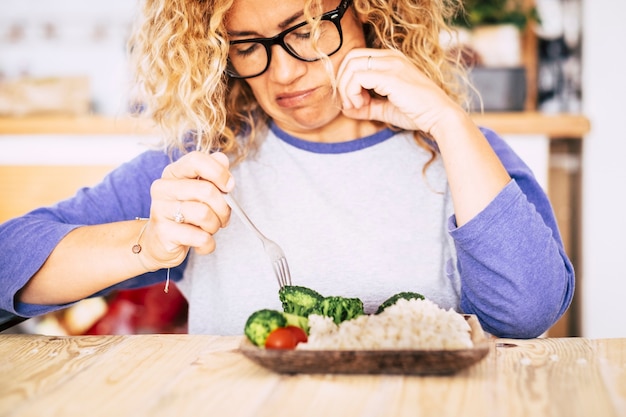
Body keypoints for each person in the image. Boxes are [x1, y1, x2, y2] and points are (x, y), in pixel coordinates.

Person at [0, 0, 574, 338]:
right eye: (248, 44)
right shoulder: (206, 161)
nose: (281, 75)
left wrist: (450, 123)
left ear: (370, 15)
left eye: (303, 32)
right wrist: (146, 246)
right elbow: (8, 265)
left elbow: (528, 312)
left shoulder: (464, 152)